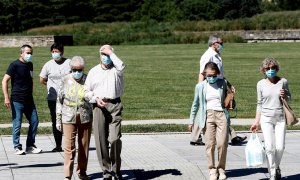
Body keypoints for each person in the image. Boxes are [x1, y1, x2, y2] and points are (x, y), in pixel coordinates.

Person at [190, 35, 246, 146]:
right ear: (214, 43)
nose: (222, 44)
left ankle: (232, 136)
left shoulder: (216, 55)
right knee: (216, 109)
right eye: (221, 42)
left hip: (219, 85)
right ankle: (196, 137)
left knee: (220, 109)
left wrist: (228, 85)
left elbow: (219, 74)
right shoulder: (208, 56)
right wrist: (200, 88)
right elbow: (202, 73)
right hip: (211, 86)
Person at [84, 44, 125, 180]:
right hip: (99, 106)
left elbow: (122, 65)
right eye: (103, 54)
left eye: (108, 54)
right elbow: (86, 91)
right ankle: (106, 172)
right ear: (99, 55)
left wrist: (111, 53)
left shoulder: (116, 69)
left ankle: (116, 169)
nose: (106, 57)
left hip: (114, 104)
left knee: (114, 139)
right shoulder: (93, 71)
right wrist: (95, 98)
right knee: (101, 141)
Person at [250, 57, 290, 180]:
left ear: (277, 69)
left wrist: (285, 95)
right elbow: (259, 103)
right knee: (269, 147)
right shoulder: (260, 84)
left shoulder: (283, 81)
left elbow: (289, 97)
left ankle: (276, 166)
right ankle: (272, 173)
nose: (270, 70)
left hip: (280, 118)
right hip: (266, 118)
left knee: (280, 147)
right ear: (263, 70)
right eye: (267, 68)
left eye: (273, 68)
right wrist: (256, 121)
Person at [189, 62, 229, 180]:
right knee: (209, 144)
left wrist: (231, 94)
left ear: (217, 74)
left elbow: (228, 100)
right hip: (207, 116)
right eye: (209, 75)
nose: (211, 77)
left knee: (222, 144)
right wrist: (191, 121)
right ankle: (212, 169)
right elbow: (195, 104)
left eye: (214, 75)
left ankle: (221, 169)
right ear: (205, 74)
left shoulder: (223, 83)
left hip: (222, 115)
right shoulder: (200, 86)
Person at [56, 56, 92, 180]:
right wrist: (58, 118)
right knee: (69, 147)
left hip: (85, 116)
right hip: (68, 116)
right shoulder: (64, 80)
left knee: (84, 146)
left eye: (80, 69)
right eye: (74, 69)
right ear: (70, 69)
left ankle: (82, 171)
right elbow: (59, 100)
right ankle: (67, 175)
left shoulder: (88, 79)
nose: (77, 72)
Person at [2, 44, 42, 155]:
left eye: (31, 53)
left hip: (29, 99)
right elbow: (4, 81)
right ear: (21, 53)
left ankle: (30, 145)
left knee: (35, 121)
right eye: (27, 53)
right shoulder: (14, 65)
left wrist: (31, 91)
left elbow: (31, 78)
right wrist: (6, 97)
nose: (29, 55)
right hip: (17, 100)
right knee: (17, 124)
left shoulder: (30, 65)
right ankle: (17, 146)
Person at [39, 42, 71, 152]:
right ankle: (58, 145)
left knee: (68, 120)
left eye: (56, 51)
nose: (54, 53)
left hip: (68, 97)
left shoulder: (69, 63)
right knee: (55, 120)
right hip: (53, 98)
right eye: (52, 52)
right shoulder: (48, 65)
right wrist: (51, 85)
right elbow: (42, 79)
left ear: (61, 52)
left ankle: (69, 143)